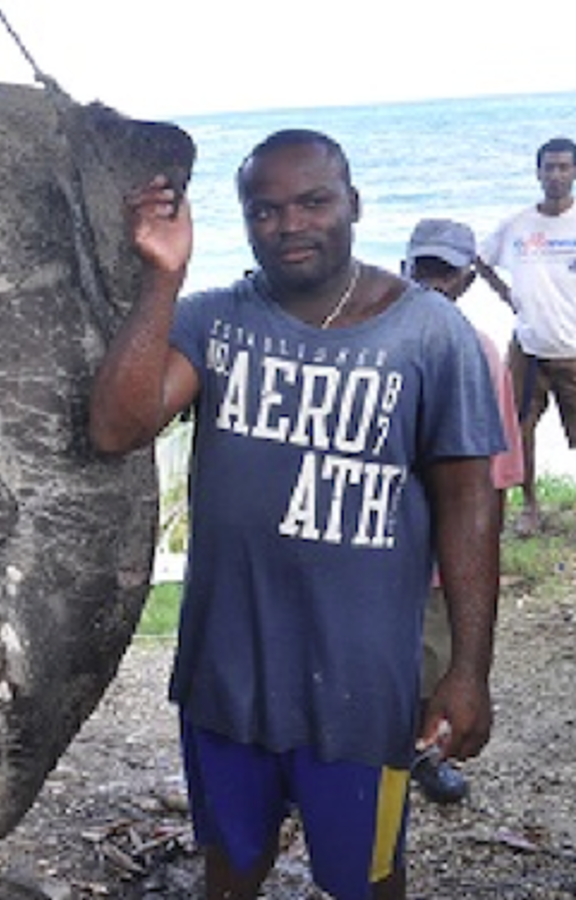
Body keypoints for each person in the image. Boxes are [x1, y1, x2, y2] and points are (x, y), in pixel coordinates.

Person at [89, 129, 502, 900]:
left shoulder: (428, 333)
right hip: (228, 679)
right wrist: (162, 278)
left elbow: (469, 503)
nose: (290, 224)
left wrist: (467, 670)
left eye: (313, 201)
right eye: (265, 210)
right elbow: (117, 426)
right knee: (231, 869)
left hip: (364, 690)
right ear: (246, 221)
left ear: (354, 204)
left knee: (368, 878)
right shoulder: (214, 322)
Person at [403, 218, 524, 804]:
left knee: (436, 661)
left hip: (437, 556)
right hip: (376, 549)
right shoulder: (377, 338)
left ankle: (423, 757)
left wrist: (477, 565)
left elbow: (494, 477)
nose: (432, 282)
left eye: (444, 271)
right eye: (422, 267)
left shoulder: (480, 352)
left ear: (469, 277)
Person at [476, 137, 576, 536]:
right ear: (537, 173)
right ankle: (530, 506)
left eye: (564, 167)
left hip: (572, 348)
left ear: (574, 173)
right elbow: (480, 259)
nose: (555, 175)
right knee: (519, 430)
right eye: (548, 167)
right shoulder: (517, 225)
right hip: (528, 348)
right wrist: (506, 296)